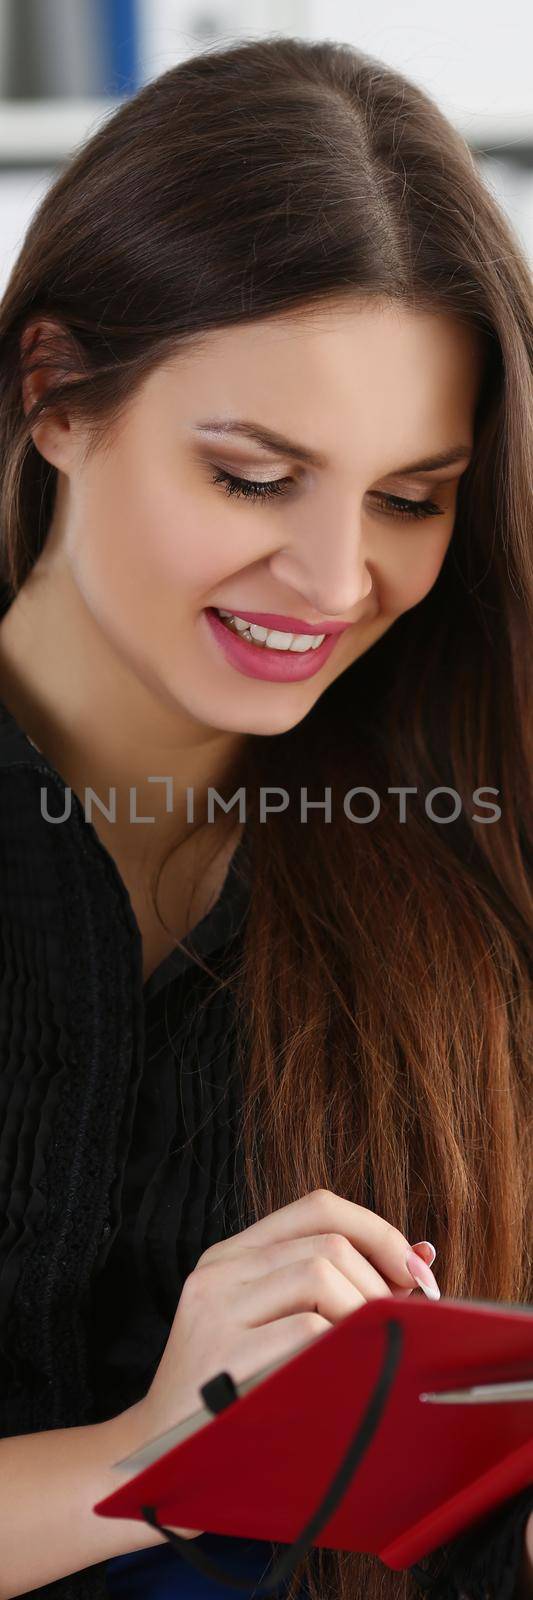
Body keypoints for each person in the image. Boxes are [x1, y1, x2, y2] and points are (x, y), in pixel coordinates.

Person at [0, 30, 531, 1600]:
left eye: (408, 497)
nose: (332, 583)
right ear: (54, 401)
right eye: (249, 477)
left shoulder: (472, 838)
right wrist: (151, 1462)